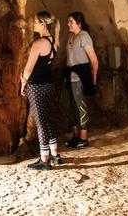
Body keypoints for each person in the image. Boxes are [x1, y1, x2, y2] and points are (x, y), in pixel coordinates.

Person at [20, 11, 62, 170]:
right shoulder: (54, 42)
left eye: (36, 22)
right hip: (49, 86)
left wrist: (23, 83)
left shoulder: (38, 44)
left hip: (36, 86)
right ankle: (55, 155)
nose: (33, 24)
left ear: (43, 24)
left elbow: (29, 68)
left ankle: (44, 160)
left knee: (41, 123)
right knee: (47, 120)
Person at [64, 12, 98, 149]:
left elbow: (94, 59)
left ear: (79, 24)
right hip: (70, 75)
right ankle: (76, 135)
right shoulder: (71, 36)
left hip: (80, 77)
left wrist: (94, 76)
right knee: (67, 105)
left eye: (70, 22)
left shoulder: (84, 36)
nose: (68, 24)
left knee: (81, 106)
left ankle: (83, 138)